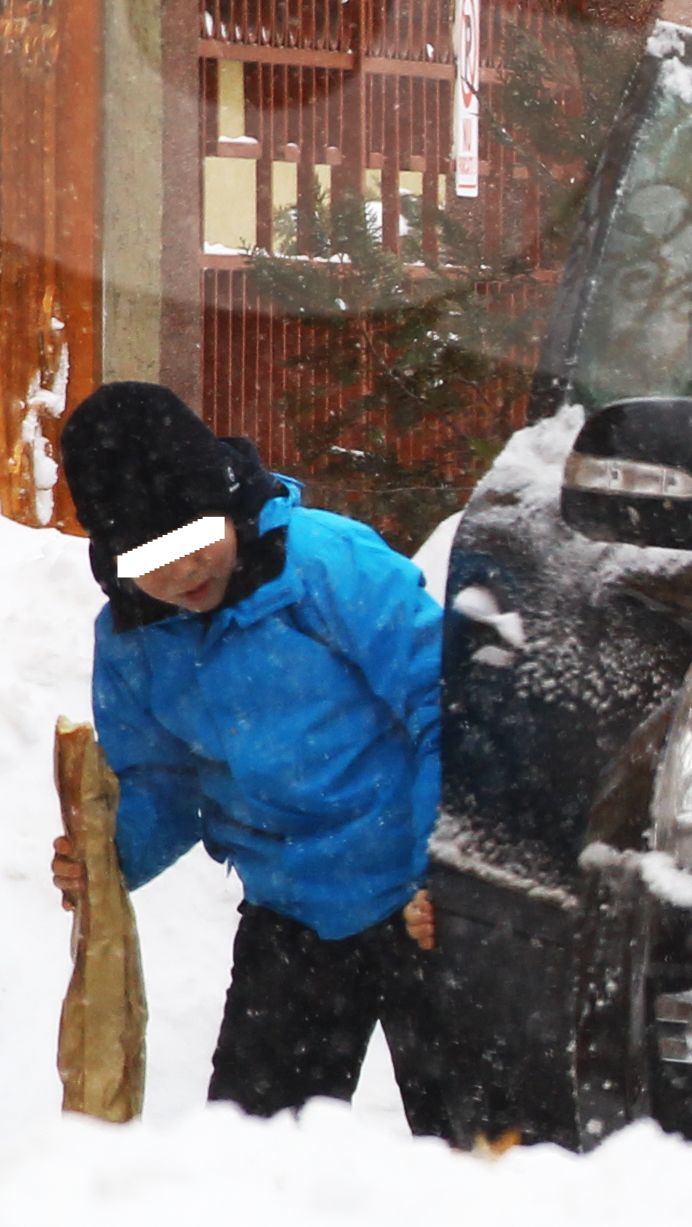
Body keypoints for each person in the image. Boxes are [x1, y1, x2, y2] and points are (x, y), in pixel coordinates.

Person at [43, 382, 455, 1127]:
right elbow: (164, 781)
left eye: (193, 537)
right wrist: (108, 858)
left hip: (415, 899)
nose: (181, 573)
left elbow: (446, 704)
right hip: (289, 915)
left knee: (480, 1137)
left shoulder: (328, 569)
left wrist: (451, 868)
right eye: (150, 557)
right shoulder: (136, 641)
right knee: (253, 1150)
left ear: (228, 502)